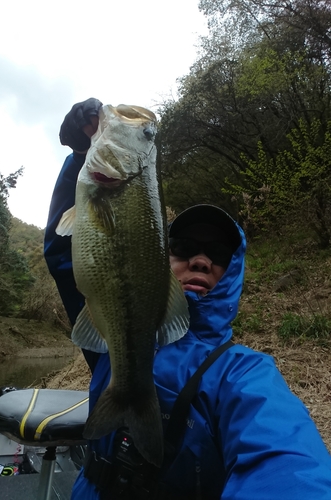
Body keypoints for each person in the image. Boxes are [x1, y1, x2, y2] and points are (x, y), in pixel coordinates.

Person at [44, 98, 331, 499]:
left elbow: (286, 461)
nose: (201, 258)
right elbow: (63, 252)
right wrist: (78, 156)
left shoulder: (242, 374)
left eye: (217, 254)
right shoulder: (112, 344)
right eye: (185, 246)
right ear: (158, 255)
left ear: (232, 272)